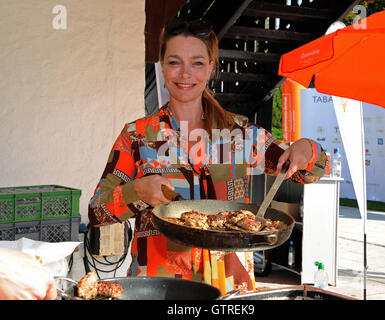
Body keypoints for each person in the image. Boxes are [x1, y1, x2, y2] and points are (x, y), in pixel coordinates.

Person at [88, 17, 328, 294]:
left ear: (211, 67)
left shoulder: (241, 133)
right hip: (159, 285)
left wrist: (309, 148)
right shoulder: (137, 135)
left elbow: (309, 172)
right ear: (162, 66)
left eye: (198, 62)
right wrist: (136, 191)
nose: (185, 73)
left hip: (230, 283)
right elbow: (97, 212)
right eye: (175, 62)